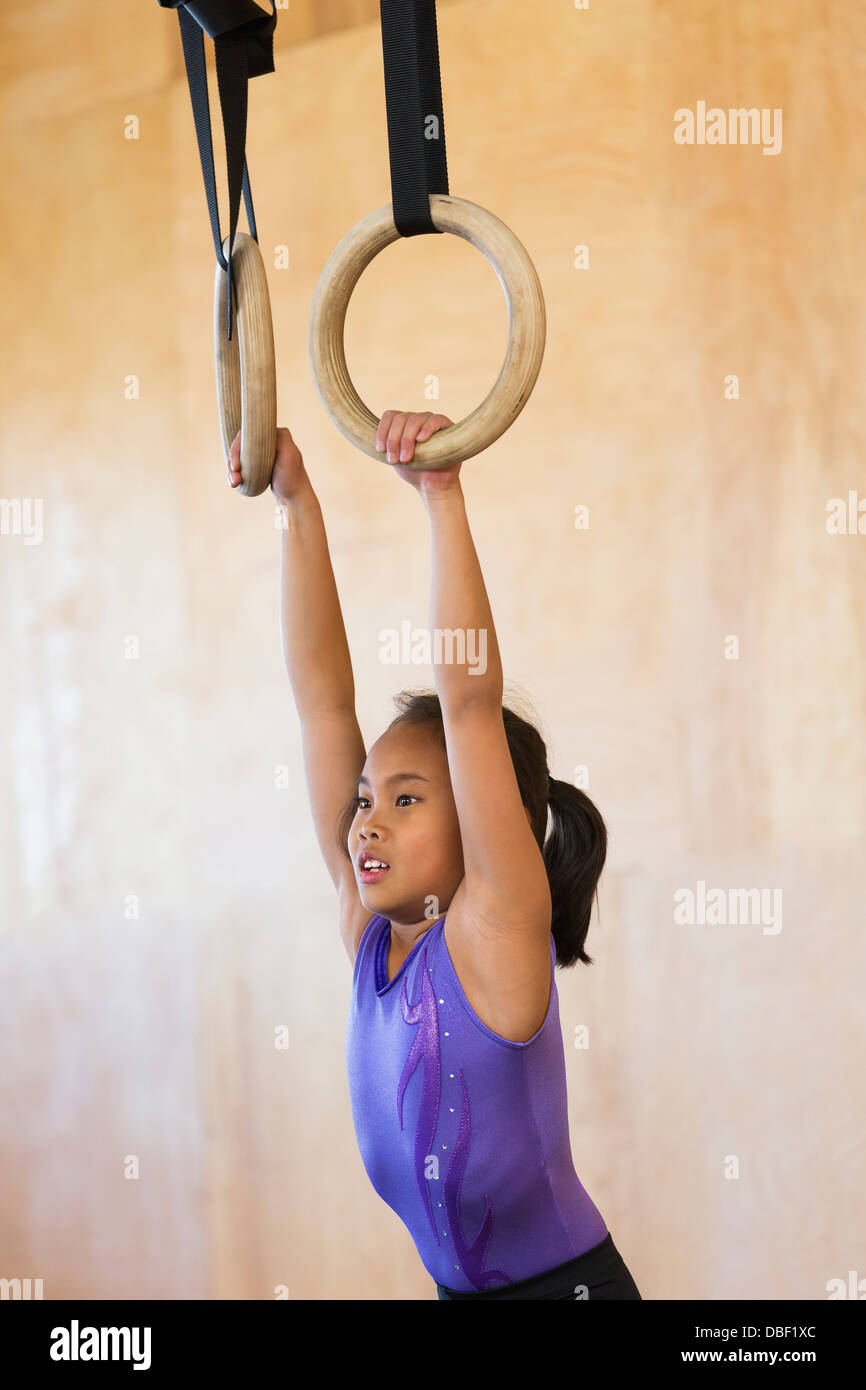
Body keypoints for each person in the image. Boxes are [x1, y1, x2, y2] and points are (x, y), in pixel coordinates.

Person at [227, 413, 642, 1300]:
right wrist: (297, 506)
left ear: (482, 828)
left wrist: (442, 496)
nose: (366, 822)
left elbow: (468, 703)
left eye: (406, 800)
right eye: (368, 800)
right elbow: (323, 708)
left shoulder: (495, 936)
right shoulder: (373, 942)